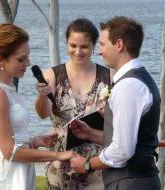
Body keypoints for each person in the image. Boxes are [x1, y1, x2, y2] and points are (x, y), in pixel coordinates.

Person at [0, 24, 75, 190]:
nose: (28, 63)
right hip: (4, 177)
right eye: (21, 59)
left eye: (27, 57)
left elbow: (12, 138)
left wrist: (35, 141)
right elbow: (8, 151)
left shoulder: (8, 89)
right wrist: (58, 155)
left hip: (18, 171)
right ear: (1, 59)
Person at [70, 16, 161, 190]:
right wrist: (90, 134)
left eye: (103, 44)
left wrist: (87, 164)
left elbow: (122, 151)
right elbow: (135, 138)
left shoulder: (128, 86)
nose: (99, 51)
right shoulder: (138, 78)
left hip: (130, 183)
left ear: (119, 45)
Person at [35, 18, 111, 190]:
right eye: (73, 45)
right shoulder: (53, 75)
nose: (78, 51)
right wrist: (43, 95)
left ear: (93, 46)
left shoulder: (109, 77)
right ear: (66, 43)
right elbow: (42, 113)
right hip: (60, 163)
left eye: (84, 46)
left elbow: (118, 122)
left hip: (96, 165)